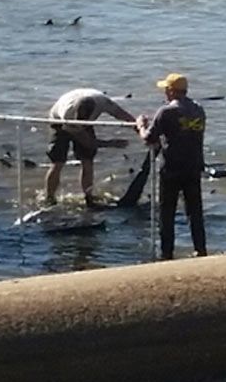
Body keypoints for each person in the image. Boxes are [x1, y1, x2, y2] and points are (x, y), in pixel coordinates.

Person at [137, 73, 208, 260]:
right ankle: (200, 250)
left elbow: (148, 138)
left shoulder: (166, 111)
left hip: (172, 168)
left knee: (167, 212)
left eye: (166, 90)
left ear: (171, 91)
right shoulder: (198, 110)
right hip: (194, 166)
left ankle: (167, 253)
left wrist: (141, 125)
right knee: (195, 211)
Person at [43, 89, 135, 206]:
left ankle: (88, 196)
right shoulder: (69, 113)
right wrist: (111, 143)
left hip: (85, 120)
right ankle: (50, 198)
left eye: (84, 120)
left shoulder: (102, 101)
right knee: (58, 162)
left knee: (87, 160)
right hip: (60, 123)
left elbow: (120, 113)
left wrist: (137, 126)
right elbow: (88, 143)